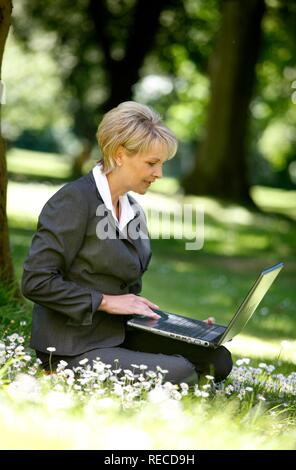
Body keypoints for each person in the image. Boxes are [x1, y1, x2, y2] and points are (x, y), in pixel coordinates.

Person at [22, 101, 232, 385]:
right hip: (73, 345)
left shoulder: (132, 209)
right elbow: (36, 281)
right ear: (120, 155)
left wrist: (186, 330)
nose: (159, 174)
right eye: (151, 163)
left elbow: (127, 293)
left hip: (119, 333)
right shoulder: (74, 200)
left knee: (217, 359)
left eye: (161, 164)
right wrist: (106, 302)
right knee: (181, 372)